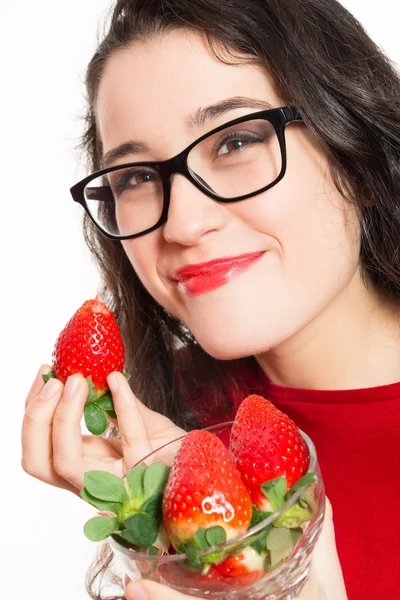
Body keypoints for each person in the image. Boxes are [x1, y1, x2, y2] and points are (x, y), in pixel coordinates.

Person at [21, 0, 400, 598]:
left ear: (357, 155)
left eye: (235, 142)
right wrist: (167, 542)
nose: (183, 225)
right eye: (138, 177)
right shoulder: (152, 438)